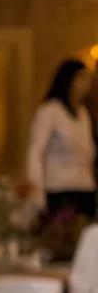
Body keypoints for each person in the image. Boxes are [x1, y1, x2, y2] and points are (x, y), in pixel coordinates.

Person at [25, 59, 96, 219]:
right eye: (81, 78)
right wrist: (37, 192)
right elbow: (36, 151)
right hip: (59, 188)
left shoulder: (83, 114)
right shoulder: (50, 111)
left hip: (84, 188)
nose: (86, 84)